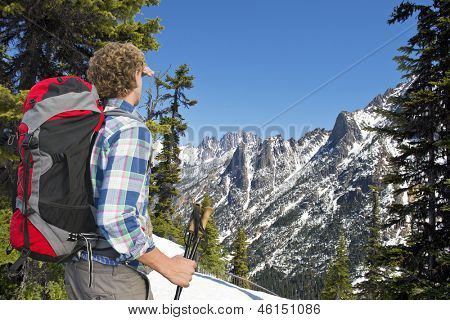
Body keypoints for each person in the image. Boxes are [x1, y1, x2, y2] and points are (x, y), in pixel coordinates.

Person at [64, 42, 196, 300]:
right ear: (136, 75)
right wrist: (167, 265)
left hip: (79, 268)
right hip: (112, 278)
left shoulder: (89, 124)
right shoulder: (129, 129)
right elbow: (115, 218)